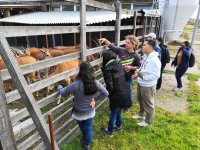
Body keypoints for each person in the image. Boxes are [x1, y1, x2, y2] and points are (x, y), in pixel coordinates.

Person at [57, 61, 109, 150]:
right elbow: (106, 93)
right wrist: (94, 99)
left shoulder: (75, 84)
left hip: (78, 112)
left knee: (82, 128)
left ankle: (85, 139)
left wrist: (59, 86)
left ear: (81, 71)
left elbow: (64, 94)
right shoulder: (96, 82)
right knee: (88, 128)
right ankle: (86, 145)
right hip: (89, 110)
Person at [99, 35, 141, 102]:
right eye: (126, 42)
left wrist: (131, 67)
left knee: (128, 91)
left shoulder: (136, 56)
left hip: (128, 78)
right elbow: (112, 47)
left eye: (128, 43)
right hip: (120, 77)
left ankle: (127, 104)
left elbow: (139, 67)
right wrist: (105, 40)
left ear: (133, 44)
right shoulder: (121, 50)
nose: (126, 44)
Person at [101, 51, 132, 137]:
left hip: (116, 95)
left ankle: (110, 131)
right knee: (119, 110)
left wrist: (110, 94)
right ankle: (119, 126)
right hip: (124, 92)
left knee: (113, 112)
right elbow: (127, 77)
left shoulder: (107, 69)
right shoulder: (119, 64)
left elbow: (110, 86)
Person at [132, 40, 161, 127]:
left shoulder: (155, 60)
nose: (142, 46)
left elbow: (156, 75)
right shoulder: (146, 56)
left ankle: (148, 121)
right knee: (140, 100)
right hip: (141, 83)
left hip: (148, 85)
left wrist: (143, 77)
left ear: (150, 47)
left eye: (144, 45)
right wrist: (137, 75)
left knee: (148, 103)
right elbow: (143, 68)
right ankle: (141, 114)